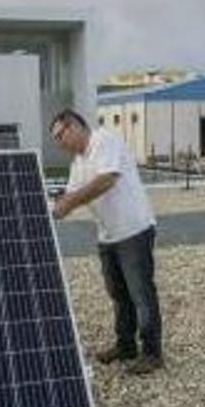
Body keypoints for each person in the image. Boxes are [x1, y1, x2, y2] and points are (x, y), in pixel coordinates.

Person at [49, 108, 163, 375]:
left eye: (59, 136)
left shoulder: (105, 140)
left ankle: (152, 353)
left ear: (74, 127)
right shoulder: (78, 163)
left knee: (141, 294)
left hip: (133, 230)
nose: (59, 143)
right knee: (119, 294)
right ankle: (125, 346)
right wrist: (50, 210)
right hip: (108, 235)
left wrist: (69, 203)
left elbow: (106, 180)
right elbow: (70, 196)